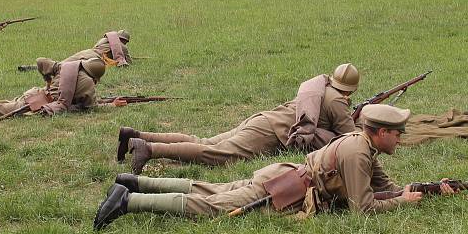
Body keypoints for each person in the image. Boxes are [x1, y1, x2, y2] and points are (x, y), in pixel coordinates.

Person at [94, 104, 456, 229]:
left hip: (282, 177)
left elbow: (384, 187)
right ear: (379, 133)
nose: (401, 139)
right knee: (212, 206)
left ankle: (134, 182)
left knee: (213, 190)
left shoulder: (363, 148)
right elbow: (364, 208)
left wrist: (423, 190)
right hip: (284, 190)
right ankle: (127, 201)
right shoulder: (358, 153)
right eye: (398, 133)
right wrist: (401, 203)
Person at [119, 63, 360, 174]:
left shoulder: (321, 88)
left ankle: (135, 135)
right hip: (269, 133)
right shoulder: (338, 100)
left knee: (204, 141)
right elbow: (351, 138)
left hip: (265, 120)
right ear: (351, 88)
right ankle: (149, 149)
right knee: (217, 155)